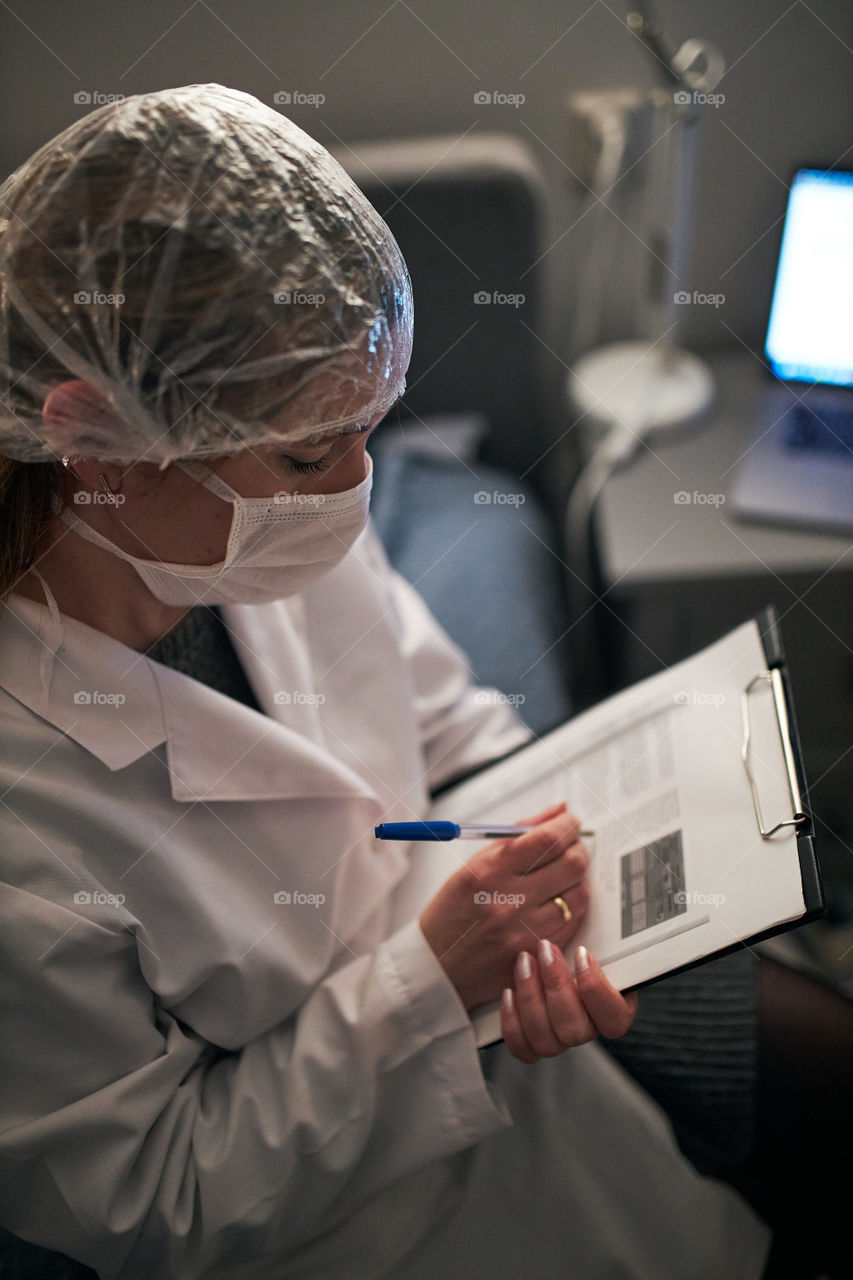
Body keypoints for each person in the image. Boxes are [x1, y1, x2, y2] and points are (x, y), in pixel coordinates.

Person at [0, 82, 820, 1280]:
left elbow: (438, 710)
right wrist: (426, 985)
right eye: (308, 450)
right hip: (346, 1207)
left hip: (496, 985)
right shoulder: (25, 812)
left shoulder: (244, 518)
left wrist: (544, 829)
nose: (354, 486)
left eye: (366, 428)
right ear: (94, 436)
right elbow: (152, 1191)